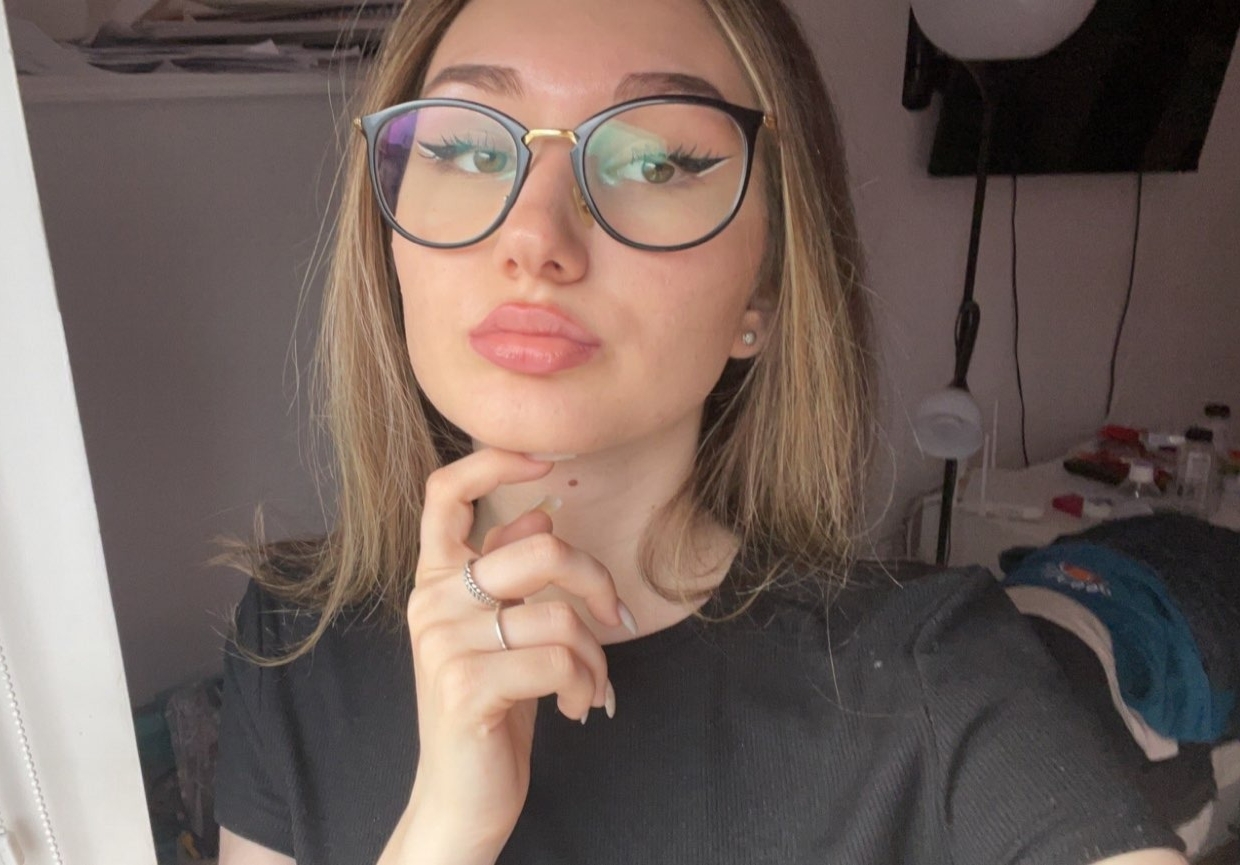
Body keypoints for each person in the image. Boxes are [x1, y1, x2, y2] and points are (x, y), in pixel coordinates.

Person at [213, 0, 1189, 863]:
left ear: (761, 290)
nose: (535, 237)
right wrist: (439, 835)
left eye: (653, 162)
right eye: (468, 150)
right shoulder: (291, 641)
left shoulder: (940, 675)